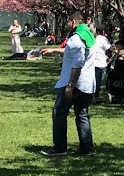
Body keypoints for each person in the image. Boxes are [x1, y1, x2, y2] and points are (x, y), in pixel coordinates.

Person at [39, 11, 97, 157]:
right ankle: (86, 148)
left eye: (67, 22)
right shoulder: (88, 36)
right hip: (87, 83)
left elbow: (78, 62)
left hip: (74, 83)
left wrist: (70, 86)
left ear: (73, 22)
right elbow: (73, 51)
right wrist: (54, 50)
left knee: (59, 112)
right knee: (82, 114)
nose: (66, 24)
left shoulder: (76, 38)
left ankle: (59, 148)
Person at [90, 24, 114, 103]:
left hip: (93, 63)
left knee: (94, 80)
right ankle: (95, 97)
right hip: (101, 63)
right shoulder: (103, 39)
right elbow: (111, 48)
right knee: (99, 81)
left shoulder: (92, 38)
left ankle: (92, 96)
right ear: (103, 31)